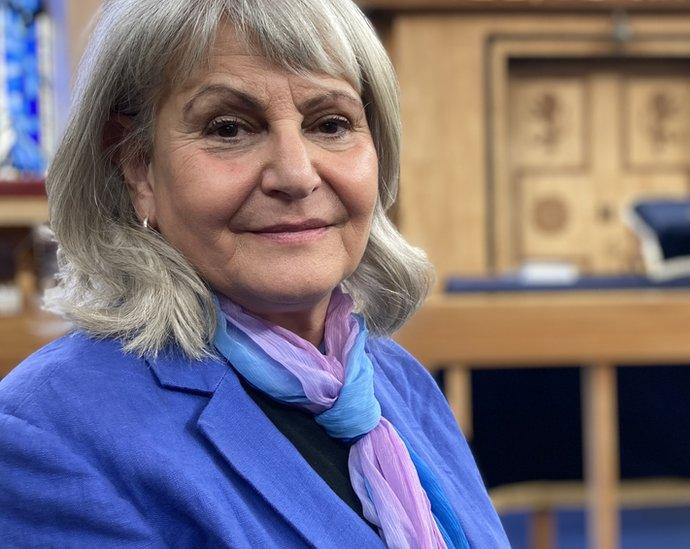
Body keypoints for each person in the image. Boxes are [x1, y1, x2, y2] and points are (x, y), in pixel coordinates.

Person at [0, 0, 508, 547]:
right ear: (136, 164)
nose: (295, 174)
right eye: (228, 128)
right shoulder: (49, 434)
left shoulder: (396, 380)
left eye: (331, 124)